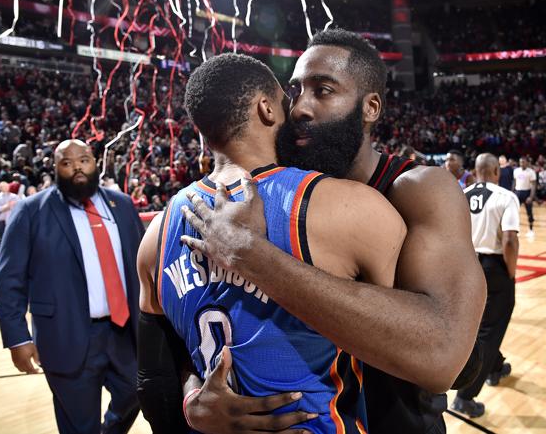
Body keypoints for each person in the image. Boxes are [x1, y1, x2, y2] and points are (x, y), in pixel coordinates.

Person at [181, 29, 486, 433]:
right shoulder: (265, 190)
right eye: (295, 91)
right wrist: (194, 397)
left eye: (323, 91)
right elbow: (195, 316)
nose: (301, 108)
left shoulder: (419, 189)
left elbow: (443, 354)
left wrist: (256, 257)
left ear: (370, 107)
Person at [136, 53, 406, 434]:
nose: (296, 110)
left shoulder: (156, 235)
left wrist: (191, 401)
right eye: (286, 100)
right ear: (266, 109)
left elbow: (152, 382)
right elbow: (406, 346)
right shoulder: (351, 207)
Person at [0, 139, 144, 434]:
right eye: (67, 162)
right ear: (55, 169)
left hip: (123, 333)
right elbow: (9, 280)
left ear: (95, 163)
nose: (77, 167)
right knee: (78, 424)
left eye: (84, 159)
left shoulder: (123, 205)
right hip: (67, 335)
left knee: (137, 393)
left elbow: (141, 267)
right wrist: (17, 339)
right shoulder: (31, 211)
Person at [452, 153, 519, 417]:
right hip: (493, 268)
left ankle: (495, 366)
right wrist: (510, 272)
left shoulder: (461, 195)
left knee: (481, 324)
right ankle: (465, 397)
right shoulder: (506, 197)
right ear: (494, 171)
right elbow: (511, 241)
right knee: (490, 329)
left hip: (465, 265)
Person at [513, 157, 537, 236]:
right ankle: (516, 230)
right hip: (517, 192)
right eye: (520, 162)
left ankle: (531, 230)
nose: (522, 164)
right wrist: (512, 193)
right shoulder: (516, 171)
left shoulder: (531, 172)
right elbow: (514, 182)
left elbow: (533, 185)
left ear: (527, 163)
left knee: (529, 212)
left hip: (527, 192)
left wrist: (531, 196)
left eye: (523, 162)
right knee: (515, 213)